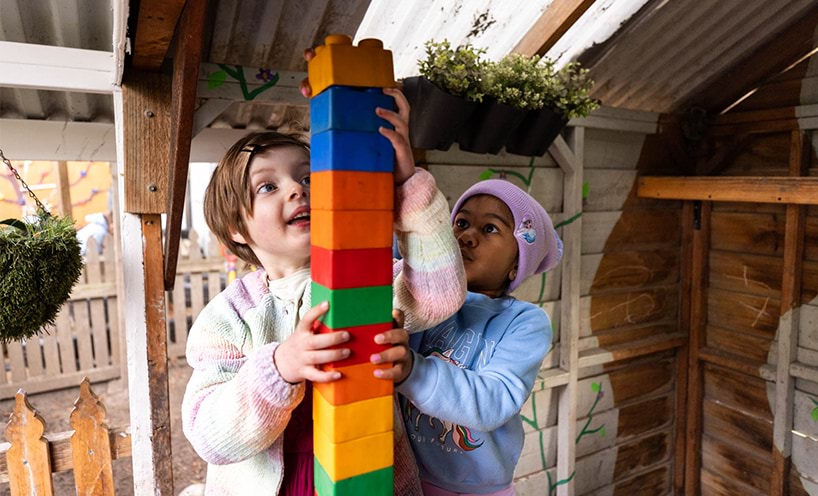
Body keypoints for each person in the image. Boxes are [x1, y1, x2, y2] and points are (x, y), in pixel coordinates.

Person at [181, 86, 466, 496]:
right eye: (267, 186)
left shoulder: (365, 278)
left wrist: (407, 182)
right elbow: (209, 436)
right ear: (236, 228)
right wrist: (279, 367)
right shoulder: (229, 317)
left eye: (307, 177)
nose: (298, 190)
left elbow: (437, 294)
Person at [393, 179, 563, 495]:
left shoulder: (524, 322)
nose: (466, 236)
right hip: (407, 477)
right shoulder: (421, 299)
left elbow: (494, 400)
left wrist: (413, 372)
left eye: (490, 229)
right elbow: (400, 243)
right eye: (461, 223)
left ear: (516, 265)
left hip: (478, 489)